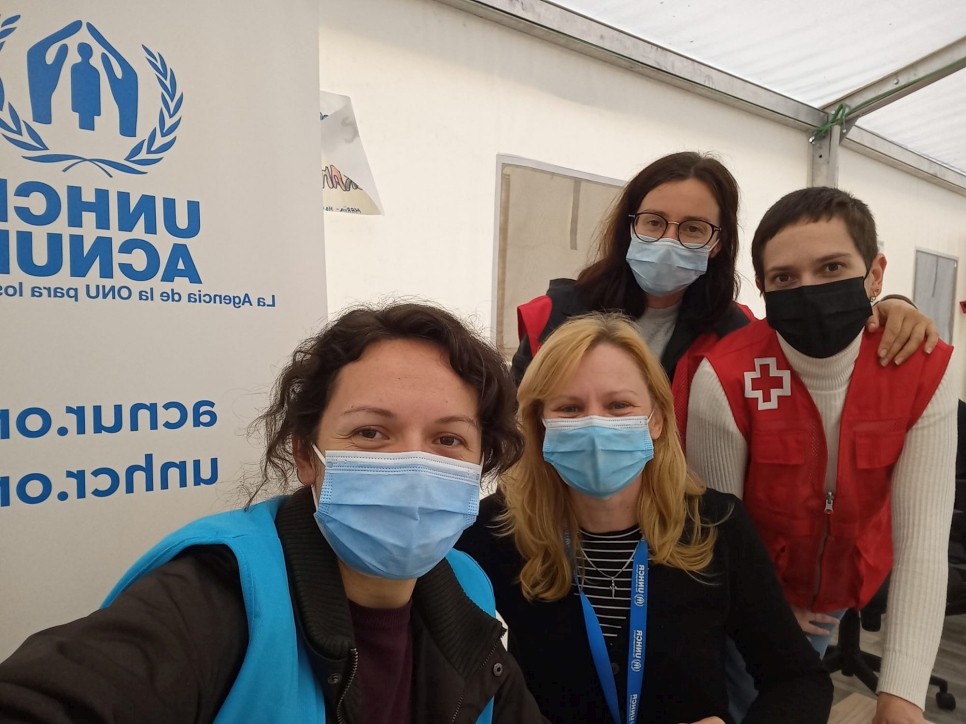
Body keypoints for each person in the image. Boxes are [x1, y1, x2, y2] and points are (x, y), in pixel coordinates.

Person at [0, 303, 547, 724]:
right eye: (370, 433)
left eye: (448, 438)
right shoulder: (218, 596)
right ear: (307, 456)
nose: (412, 463)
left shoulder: (467, 589)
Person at [458, 313, 834, 724]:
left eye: (619, 405)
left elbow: (798, 678)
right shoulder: (495, 531)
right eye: (570, 408)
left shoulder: (716, 524)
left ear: (655, 419)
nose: (595, 424)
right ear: (540, 425)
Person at [687, 188, 957, 724]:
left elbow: (923, 543)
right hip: (753, 593)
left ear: (875, 276)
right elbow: (718, 537)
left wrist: (901, 695)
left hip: (838, 585)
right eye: (785, 278)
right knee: (741, 693)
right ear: (762, 287)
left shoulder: (923, 368)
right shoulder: (728, 376)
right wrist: (768, 612)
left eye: (832, 267)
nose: (809, 290)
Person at [513, 151, 938, 443]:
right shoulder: (554, 319)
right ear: (629, 226)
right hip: (555, 522)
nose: (669, 240)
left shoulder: (736, 337)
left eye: (693, 228)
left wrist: (893, 305)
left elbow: (822, 338)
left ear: (718, 243)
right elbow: (516, 431)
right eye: (654, 222)